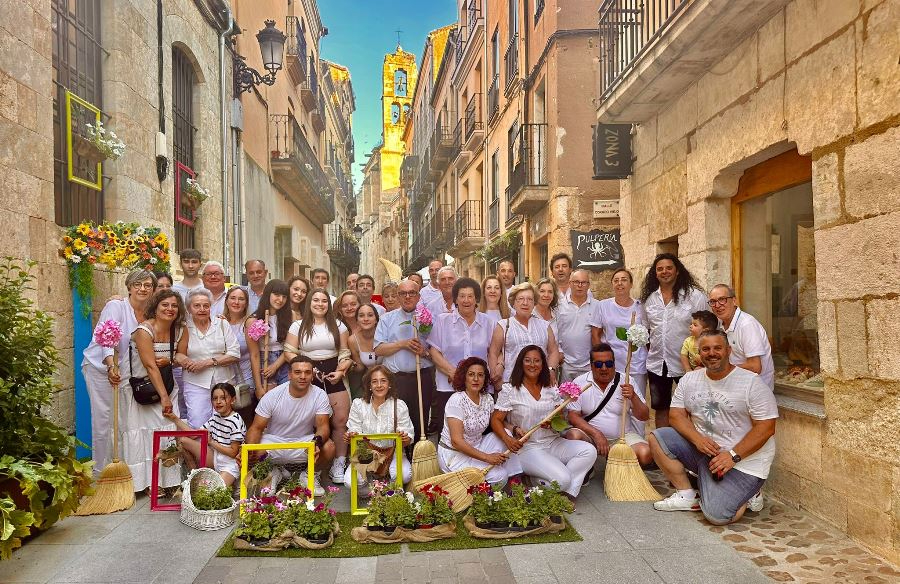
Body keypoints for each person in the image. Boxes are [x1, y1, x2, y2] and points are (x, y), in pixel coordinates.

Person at [650, 330, 777, 522]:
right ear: (699, 353)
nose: (712, 353)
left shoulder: (751, 383)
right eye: (705, 349)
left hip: (743, 461)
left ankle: (749, 493)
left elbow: (766, 427)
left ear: (728, 351)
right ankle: (687, 495)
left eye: (718, 348)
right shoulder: (690, 379)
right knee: (658, 438)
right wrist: (697, 440)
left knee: (718, 516)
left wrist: (733, 456)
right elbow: (676, 415)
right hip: (707, 451)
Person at [491, 346, 596, 502]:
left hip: (553, 442)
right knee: (562, 478)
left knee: (589, 451)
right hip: (528, 448)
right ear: (521, 363)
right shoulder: (510, 390)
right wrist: (508, 439)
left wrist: (553, 423)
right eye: (528, 360)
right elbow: (496, 420)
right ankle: (536, 481)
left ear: (543, 364)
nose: (532, 365)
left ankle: (567, 493)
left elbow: (560, 420)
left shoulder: (551, 388)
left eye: (537, 361)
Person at [81, 269, 157, 476]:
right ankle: (100, 471)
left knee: (123, 421)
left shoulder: (150, 312)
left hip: (126, 372)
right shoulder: (116, 306)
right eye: (137, 284)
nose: (142, 289)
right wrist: (109, 365)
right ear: (129, 287)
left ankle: (122, 467)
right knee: (104, 420)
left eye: (147, 285)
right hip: (100, 369)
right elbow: (106, 339)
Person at [285, 290, 353, 484]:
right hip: (307, 374)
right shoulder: (297, 326)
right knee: (310, 421)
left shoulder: (338, 325)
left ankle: (339, 462)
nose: (320, 304)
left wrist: (340, 371)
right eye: (316, 300)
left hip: (333, 374)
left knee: (340, 420)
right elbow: (289, 352)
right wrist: (306, 369)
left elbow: (345, 353)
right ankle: (309, 466)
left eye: (324, 301)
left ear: (328, 305)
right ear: (309, 303)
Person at [245, 356, 335, 496]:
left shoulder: (319, 395)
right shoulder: (273, 395)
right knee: (252, 449)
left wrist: (316, 442)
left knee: (329, 447)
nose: (303, 376)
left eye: (307, 372)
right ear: (289, 375)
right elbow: (256, 428)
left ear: (312, 375)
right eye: (298, 372)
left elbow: (323, 427)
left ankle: (309, 475)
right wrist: (248, 451)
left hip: (304, 443)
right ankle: (271, 473)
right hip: (274, 442)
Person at [127, 290, 188, 492]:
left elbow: (180, 356)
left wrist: (169, 360)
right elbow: (150, 366)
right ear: (155, 307)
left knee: (168, 432)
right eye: (165, 305)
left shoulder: (180, 330)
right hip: (145, 387)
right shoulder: (144, 331)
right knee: (147, 433)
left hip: (168, 385)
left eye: (174, 305)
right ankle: (149, 483)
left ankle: (169, 481)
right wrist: (163, 397)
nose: (170, 309)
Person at [640, 254, 707, 428]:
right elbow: (646, 330)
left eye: (669, 268)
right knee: (661, 409)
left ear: (677, 271)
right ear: (655, 273)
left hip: (687, 364)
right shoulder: (650, 300)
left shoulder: (694, 296)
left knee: (693, 408)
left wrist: (701, 358)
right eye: (660, 269)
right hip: (657, 363)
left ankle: (695, 442)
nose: (665, 272)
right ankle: (663, 443)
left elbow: (708, 329)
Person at [564, 344, 652, 473]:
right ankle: (589, 470)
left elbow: (644, 416)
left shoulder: (627, 380)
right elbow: (573, 416)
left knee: (645, 453)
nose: (604, 368)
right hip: (590, 437)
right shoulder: (580, 382)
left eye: (609, 364)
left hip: (622, 437)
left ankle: (614, 464)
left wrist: (633, 397)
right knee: (573, 435)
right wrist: (597, 434)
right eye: (599, 364)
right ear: (591, 365)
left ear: (614, 364)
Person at [438, 357, 523, 487]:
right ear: (464, 378)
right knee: (500, 476)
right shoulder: (456, 400)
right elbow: (456, 442)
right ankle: (487, 487)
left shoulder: (487, 398)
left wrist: (514, 429)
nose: (476, 379)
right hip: (454, 454)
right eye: (471, 374)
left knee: (506, 433)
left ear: (485, 379)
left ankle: (514, 481)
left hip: (477, 446)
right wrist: (488, 457)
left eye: (480, 375)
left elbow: (496, 421)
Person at [428, 278, 494, 435]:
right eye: (462, 296)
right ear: (455, 299)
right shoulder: (443, 321)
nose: (466, 300)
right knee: (450, 434)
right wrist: (453, 373)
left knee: (481, 434)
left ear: (476, 299)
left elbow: (494, 352)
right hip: (448, 387)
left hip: (480, 388)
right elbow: (434, 351)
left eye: (470, 296)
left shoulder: (488, 322)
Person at [374, 280, 435, 443]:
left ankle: (419, 453)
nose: (407, 297)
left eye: (412, 293)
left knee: (420, 420)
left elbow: (437, 352)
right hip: (396, 378)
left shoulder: (428, 318)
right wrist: (403, 344)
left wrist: (424, 352)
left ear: (418, 296)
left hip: (422, 376)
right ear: (398, 296)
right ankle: (398, 454)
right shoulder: (387, 319)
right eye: (403, 293)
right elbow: (378, 349)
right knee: (397, 421)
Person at [344, 366, 414, 488]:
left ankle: (386, 487)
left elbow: (408, 438)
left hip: (392, 454)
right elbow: (354, 430)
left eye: (383, 381)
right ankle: (373, 489)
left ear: (389, 384)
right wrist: (351, 436)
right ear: (369, 385)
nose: (379, 385)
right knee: (350, 482)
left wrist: (404, 437)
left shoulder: (399, 405)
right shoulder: (358, 404)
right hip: (366, 455)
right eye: (374, 381)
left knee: (404, 475)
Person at [164, 382, 246, 486]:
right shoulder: (216, 417)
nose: (218, 402)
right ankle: (194, 475)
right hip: (216, 458)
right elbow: (193, 435)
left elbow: (233, 453)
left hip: (230, 465)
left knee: (211, 492)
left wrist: (211, 443)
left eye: (223, 398)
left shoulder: (235, 420)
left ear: (233, 400)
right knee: (183, 440)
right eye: (215, 398)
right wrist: (175, 418)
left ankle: (225, 482)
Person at [181, 288, 241, 427]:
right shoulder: (183, 327)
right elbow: (178, 353)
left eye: (206, 305)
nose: (202, 309)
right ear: (189, 308)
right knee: (197, 422)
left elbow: (235, 353)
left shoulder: (221, 323)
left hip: (224, 381)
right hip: (195, 383)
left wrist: (207, 363)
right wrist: (187, 362)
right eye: (197, 306)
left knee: (224, 424)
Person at [592, 268, 650, 403]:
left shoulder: (640, 307)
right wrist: (602, 358)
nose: (620, 283)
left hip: (636, 363)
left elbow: (648, 333)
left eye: (624, 280)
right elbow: (595, 334)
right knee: (614, 403)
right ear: (612, 284)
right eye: (616, 280)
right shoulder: (603, 305)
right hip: (611, 363)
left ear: (631, 284)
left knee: (636, 401)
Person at [488, 282, 561, 387]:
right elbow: (493, 353)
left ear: (534, 303)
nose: (525, 303)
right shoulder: (503, 326)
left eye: (530, 299)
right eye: (521, 299)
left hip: (540, 383)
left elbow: (553, 351)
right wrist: (495, 377)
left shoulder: (545, 326)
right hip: (511, 384)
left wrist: (551, 370)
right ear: (513, 303)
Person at [707, 285, 775, 389]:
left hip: (754, 389)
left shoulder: (747, 325)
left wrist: (720, 369)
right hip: (734, 383)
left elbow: (755, 367)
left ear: (734, 301)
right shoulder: (720, 323)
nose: (717, 305)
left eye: (722, 299)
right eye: (712, 301)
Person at [246, 279, 292, 397]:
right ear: (268, 294)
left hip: (284, 361)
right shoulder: (253, 320)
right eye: (276, 295)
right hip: (264, 362)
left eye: (284, 296)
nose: (280, 300)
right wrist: (258, 386)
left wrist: (275, 366)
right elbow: (254, 355)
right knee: (269, 400)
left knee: (287, 399)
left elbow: (290, 347)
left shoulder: (290, 317)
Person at [556, 270, 600, 382]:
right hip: (565, 363)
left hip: (588, 364)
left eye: (583, 282)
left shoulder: (597, 306)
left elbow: (599, 334)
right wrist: (559, 352)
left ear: (588, 285)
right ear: (570, 283)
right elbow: (555, 331)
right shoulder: (559, 305)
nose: (580, 285)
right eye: (576, 282)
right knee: (566, 393)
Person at [221, 286, 254, 397]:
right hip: (224, 380)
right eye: (233, 298)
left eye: (241, 299)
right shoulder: (219, 323)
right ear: (226, 301)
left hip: (245, 380)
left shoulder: (249, 323)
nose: (236, 302)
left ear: (246, 303)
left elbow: (255, 355)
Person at [348, 303, 384, 400]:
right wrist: (350, 364)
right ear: (357, 320)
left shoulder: (385, 335)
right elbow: (360, 367)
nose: (366, 319)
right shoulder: (352, 340)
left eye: (370, 315)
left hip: (388, 379)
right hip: (368, 380)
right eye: (361, 316)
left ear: (376, 319)